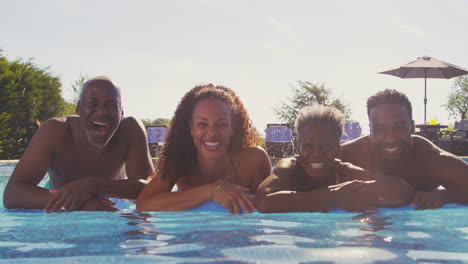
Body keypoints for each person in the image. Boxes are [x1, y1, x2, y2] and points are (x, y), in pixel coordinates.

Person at [3, 76, 154, 212]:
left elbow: (151, 190)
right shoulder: (55, 131)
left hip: (115, 201)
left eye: (111, 105)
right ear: (78, 109)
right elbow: (12, 194)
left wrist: (93, 186)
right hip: (58, 196)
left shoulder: (130, 130)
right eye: (92, 104)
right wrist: (83, 204)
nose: (101, 112)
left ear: (122, 113)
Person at [136, 84, 271, 214]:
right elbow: (144, 204)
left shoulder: (253, 160)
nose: (212, 132)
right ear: (191, 128)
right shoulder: (181, 160)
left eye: (221, 124)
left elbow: (269, 209)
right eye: (202, 124)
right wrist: (211, 192)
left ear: (233, 128)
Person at [255, 105, 413, 213]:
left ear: (338, 150)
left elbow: (402, 190)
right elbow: (263, 201)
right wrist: (333, 197)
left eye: (326, 147)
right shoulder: (289, 167)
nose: (317, 154)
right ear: (298, 149)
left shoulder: (343, 172)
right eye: (309, 147)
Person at [340, 89, 468, 210]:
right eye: (379, 129)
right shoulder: (350, 154)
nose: (390, 139)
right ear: (370, 129)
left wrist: (446, 196)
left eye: (399, 127)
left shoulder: (432, 160)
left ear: (411, 127)